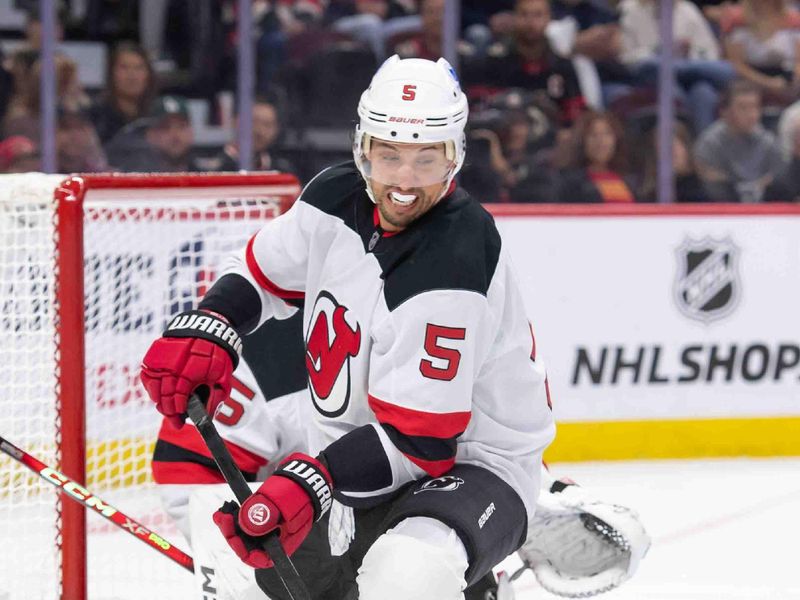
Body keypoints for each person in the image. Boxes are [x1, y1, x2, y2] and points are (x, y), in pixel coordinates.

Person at [140, 54, 557, 600]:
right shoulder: (333, 197)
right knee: (242, 578)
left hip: (472, 466)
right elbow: (262, 274)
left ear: (455, 157)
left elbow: (419, 442)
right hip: (353, 458)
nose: (404, 181)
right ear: (362, 148)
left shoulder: (456, 257)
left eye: (426, 159)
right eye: (389, 156)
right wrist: (214, 323)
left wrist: (312, 481)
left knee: (405, 576)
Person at [153, 319, 650, 600]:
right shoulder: (272, 346)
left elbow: (491, 446)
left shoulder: (460, 318)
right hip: (289, 530)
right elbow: (188, 469)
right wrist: (233, 565)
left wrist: (530, 498)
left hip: (394, 516)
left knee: (433, 570)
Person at [694, 79, 785, 202]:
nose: (752, 114)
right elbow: (712, 182)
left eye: (755, 107)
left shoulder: (769, 142)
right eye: (743, 108)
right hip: (721, 211)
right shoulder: (709, 144)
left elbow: (778, 177)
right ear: (724, 112)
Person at [555, 110, 638, 203]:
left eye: (607, 134)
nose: (601, 141)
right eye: (593, 135)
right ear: (582, 141)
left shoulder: (631, 180)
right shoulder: (569, 183)